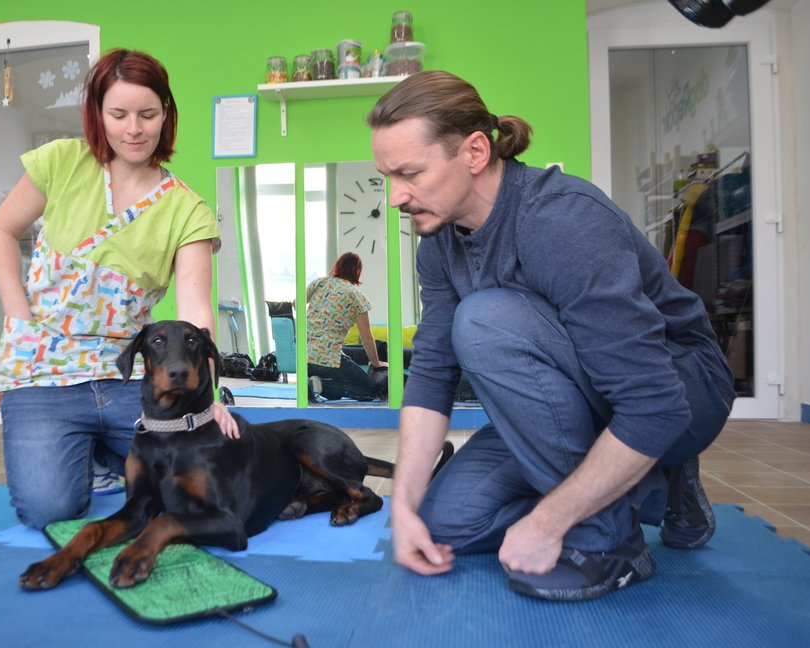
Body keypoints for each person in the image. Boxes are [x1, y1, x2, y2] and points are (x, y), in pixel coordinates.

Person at [368, 71, 735, 601]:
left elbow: (655, 404)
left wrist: (548, 524)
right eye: (388, 177)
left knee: (484, 321)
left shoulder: (560, 220)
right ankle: (654, 484)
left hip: (682, 389)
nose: (397, 196)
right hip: (582, 403)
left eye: (410, 173)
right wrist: (402, 507)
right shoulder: (439, 244)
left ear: (473, 152)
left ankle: (610, 543)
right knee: (446, 524)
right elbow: (431, 375)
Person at [0, 49, 237, 529]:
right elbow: (1, 229)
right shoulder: (61, 161)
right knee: (49, 511)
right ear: (97, 114)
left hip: (125, 378)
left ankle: (105, 450)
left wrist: (211, 393)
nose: (134, 129)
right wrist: (16, 313)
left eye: (148, 114)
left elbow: (194, 311)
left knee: (203, 479)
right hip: (43, 372)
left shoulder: (187, 209)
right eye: (118, 114)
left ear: (167, 113)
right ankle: (94, 454)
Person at [306, 252, 387, 402]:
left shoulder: (319, 283)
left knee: (338, 390)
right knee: (368, 391)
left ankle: (314, 382)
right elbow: (367, 338)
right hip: (328, 358)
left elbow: (295, 304)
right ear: (357, 271)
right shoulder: (356, 296)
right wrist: (377, 363)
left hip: (304, 357)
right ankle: (320, 385)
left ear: (337, 266)